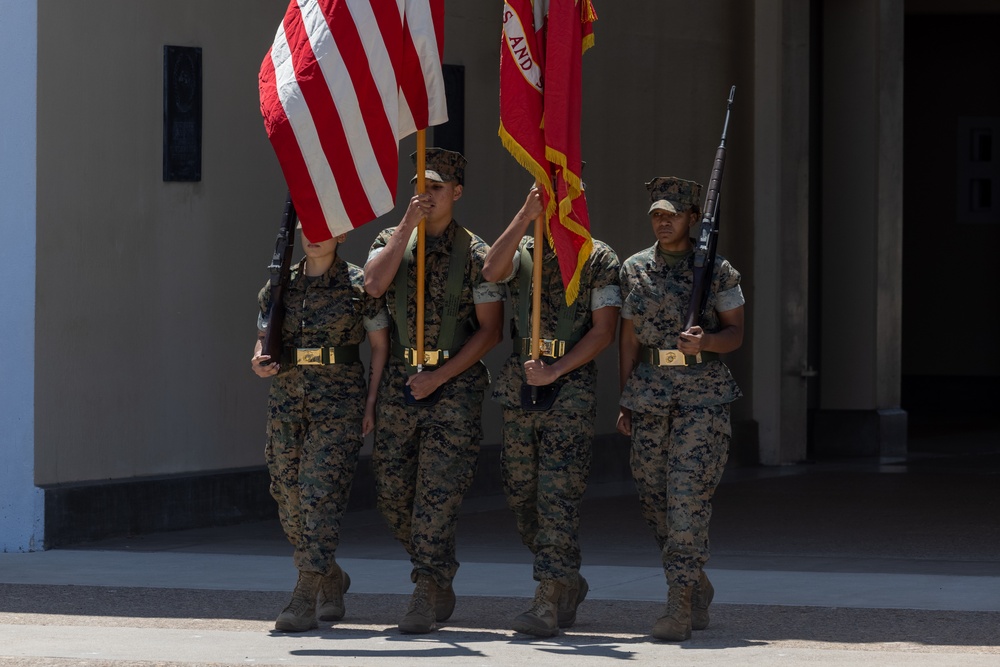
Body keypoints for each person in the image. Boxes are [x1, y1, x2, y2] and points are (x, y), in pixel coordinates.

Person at [363, 147, 504, 634]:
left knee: (436, 497)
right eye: (420, 186)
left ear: (457, 192)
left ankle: (425, 589)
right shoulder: (390, 240)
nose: (427, 195)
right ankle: (438, 570)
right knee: (393, 495)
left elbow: (490, 331)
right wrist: (406, 226)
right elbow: (374, 286)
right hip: (403, 383)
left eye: (437, 187)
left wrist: (439, 377)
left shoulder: (477, 253)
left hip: (454, 390)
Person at [482, 185, 621, 637]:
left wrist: (557, 370)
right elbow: (491, 269)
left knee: (556, 498)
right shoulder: (522, 249)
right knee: (523, 498)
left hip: (569, 391)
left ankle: (546, 599)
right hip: (521, 386)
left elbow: (603, 332)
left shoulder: (596, 256)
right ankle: (567, 580)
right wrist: (524, 215)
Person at [616, 176, 745, 642]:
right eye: (656, 214)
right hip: (649, 394)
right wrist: (625, 398)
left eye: (671, 214)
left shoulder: (717, 269)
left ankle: (678, 605)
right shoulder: (633, 269)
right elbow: (627, 338)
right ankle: (693, 581)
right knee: (655, 501)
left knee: (687, 501)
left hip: (702, 397)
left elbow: (735, 333)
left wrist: (706, 341)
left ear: (692, 218)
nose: (662, 222)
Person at [251, 226, 389, 633]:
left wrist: (370, 403)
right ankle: (331, 575)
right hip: (288, 405)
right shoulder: (279, 285)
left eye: (325, 229)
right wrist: (258, 360)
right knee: (288, 498)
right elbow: (262, 337)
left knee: (319, 497)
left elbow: (380, 346)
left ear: (342, 236)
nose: (315, 236)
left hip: (338, 406)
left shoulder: (358, 284)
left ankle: (305, 593)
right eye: (307, 227)